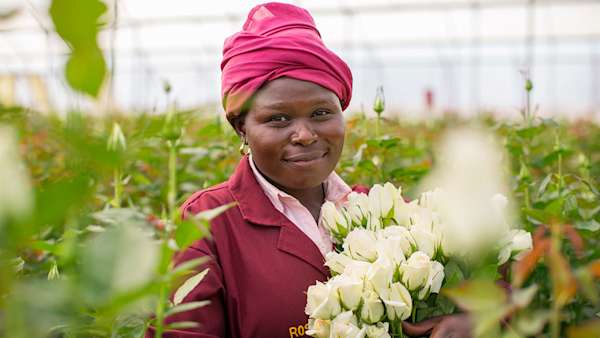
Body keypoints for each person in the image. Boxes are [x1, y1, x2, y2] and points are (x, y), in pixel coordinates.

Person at [147, 2, 471, 338]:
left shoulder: (379, 212)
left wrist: (470, 323)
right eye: (278, 118)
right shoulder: (207, 222)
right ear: (241, 128)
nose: (304, 135)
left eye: (321, 113)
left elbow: (493, 290)